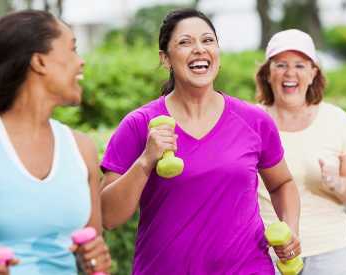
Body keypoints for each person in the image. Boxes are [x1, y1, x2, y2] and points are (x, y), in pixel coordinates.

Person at [100, 8, 301, 274]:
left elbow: (282, 183)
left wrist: (289, 228)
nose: (199, 49)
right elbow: (108, 216)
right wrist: (146, 161)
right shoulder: (139, 124)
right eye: (185, 42)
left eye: (207, 41)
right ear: (166, 59)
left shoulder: (254, 121)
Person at [0, 10, 112, 275]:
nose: (81, 62)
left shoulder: (82, 148)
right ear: (39, 62)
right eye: (72, 49)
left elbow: (93, 251)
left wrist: (95, 260)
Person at [255, 29, 346, 275]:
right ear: (268, 73)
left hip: (329, 252)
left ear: (313, 73)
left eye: (300, 65)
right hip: (266, 252)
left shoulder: (336, 120)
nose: (290, 73)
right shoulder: (251, 121)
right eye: (281, 64)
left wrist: (337, 183)